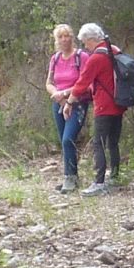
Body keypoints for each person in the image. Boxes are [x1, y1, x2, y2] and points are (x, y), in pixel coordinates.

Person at [64, 23, 125, 196]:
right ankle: (114, 177)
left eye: (85, 42)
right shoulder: (114, 49)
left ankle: (99, 183)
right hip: (119, 103)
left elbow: (82, 83)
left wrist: (69, 103)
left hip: (104, 106)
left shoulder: (96, 58)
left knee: (98, 143)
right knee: (113, 142)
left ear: (91, 39)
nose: (85, 47)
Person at [45, 24, 90, 192]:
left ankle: (71, 177)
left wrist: (66, 94)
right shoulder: (55, 59)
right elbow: (49, 83)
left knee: (68, 138)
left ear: (72, 37)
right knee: (63, 140)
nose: (64, 39)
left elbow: (85, 83)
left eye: (67, 36)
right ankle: (70, 175)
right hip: (58, 103)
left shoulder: (81, 57)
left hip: (77, 103)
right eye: (61, 37)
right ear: (57, 40)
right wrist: (57, 94)